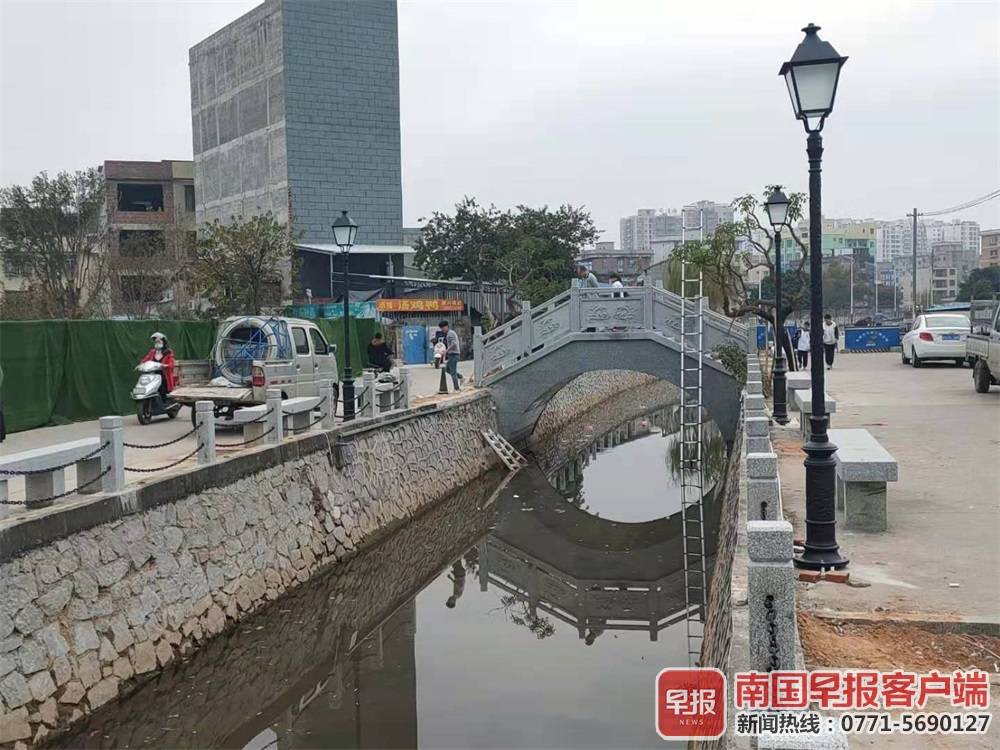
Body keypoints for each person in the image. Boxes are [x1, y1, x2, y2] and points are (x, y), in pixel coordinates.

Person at [141, 332, 177, 400]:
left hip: (163, 375)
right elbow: (146, 359)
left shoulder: (168, 352)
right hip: (153, 375)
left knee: (163, 391)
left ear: (163, 342)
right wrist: (142, 364)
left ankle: (164, 402)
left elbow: (171, 363)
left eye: (159, 341)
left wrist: (166, 365)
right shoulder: (152, 352)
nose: (157, 343)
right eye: (156, 342)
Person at [440, 320, 464, 391]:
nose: (442, 329)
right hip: (452, 355)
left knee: (453, 372)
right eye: (441, 328)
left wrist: (446, 351)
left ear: (447, 326)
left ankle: (456, 389)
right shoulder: (450, 333)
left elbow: (454, 344)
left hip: (454, 354)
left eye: (443, 327)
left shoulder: (450, 334)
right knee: (447, 369)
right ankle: (461, 377)